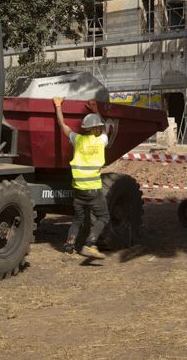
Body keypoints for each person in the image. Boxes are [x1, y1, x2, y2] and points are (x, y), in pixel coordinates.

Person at [53, 98, 110, 259]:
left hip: (78, 189)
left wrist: (58, 105)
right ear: (96, 128)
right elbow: (105, 128)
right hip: (93, 190)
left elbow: (61, 124)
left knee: (77, 218)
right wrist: (95, 110)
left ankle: (69, 249)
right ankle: (90, 244)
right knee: (103, 217)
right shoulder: (100, 141)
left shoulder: (77, 139)